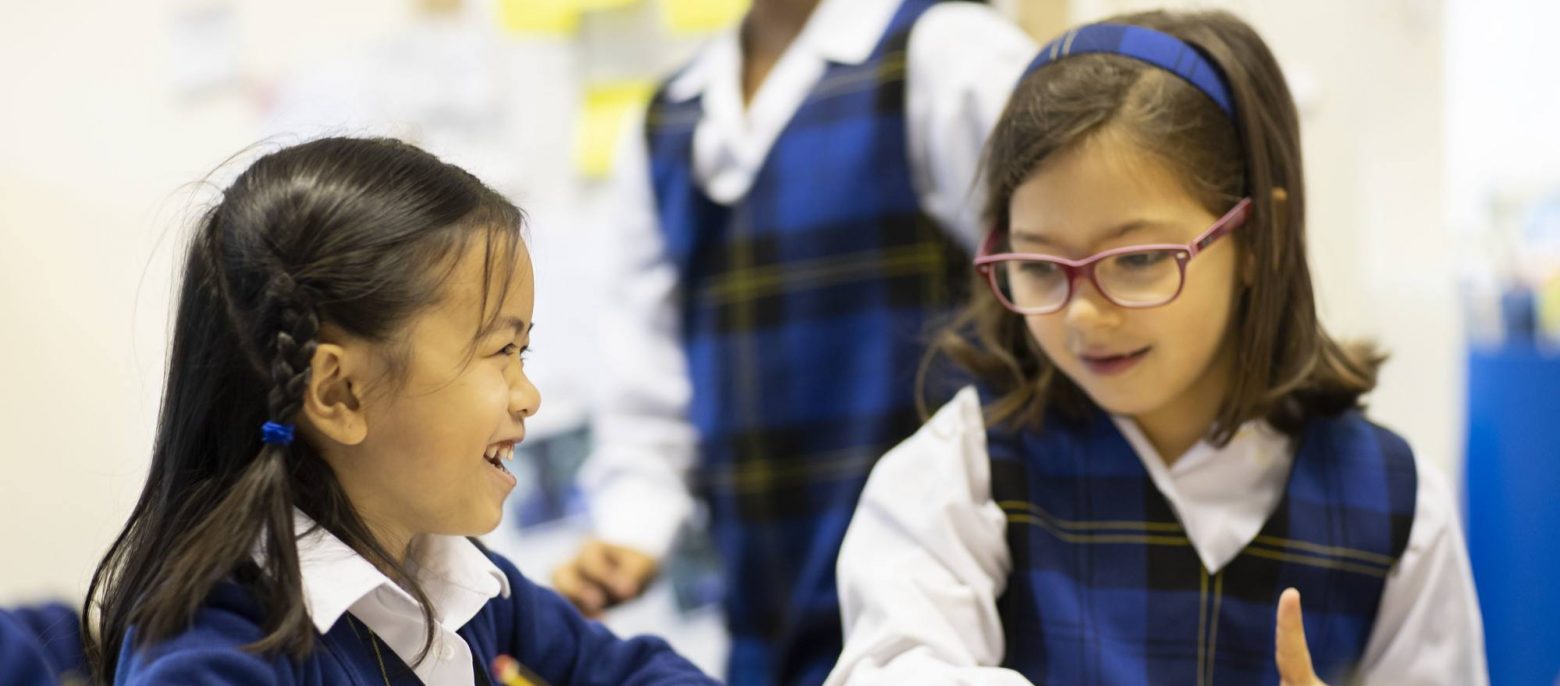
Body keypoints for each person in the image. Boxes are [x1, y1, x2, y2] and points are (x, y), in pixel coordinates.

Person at [825, 11, 1487, 685]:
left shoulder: (1400, 506)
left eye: (1138, 259)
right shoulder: (962, 471)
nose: (1083, 313)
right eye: (1040, 266)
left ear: (1261, 237)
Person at [83, 137, 718, 685]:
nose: (529, 396)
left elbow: (634, 671)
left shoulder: (455, 576)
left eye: (524, 351)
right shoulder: (213, 651)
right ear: (339, 394)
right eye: (500, 351)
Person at [552, 1, 1035, 683]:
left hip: (947, 596)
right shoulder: (669, 117)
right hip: (765, 608)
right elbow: (648, 374)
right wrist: (633, 524)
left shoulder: (946, 52)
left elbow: (1045, 284)